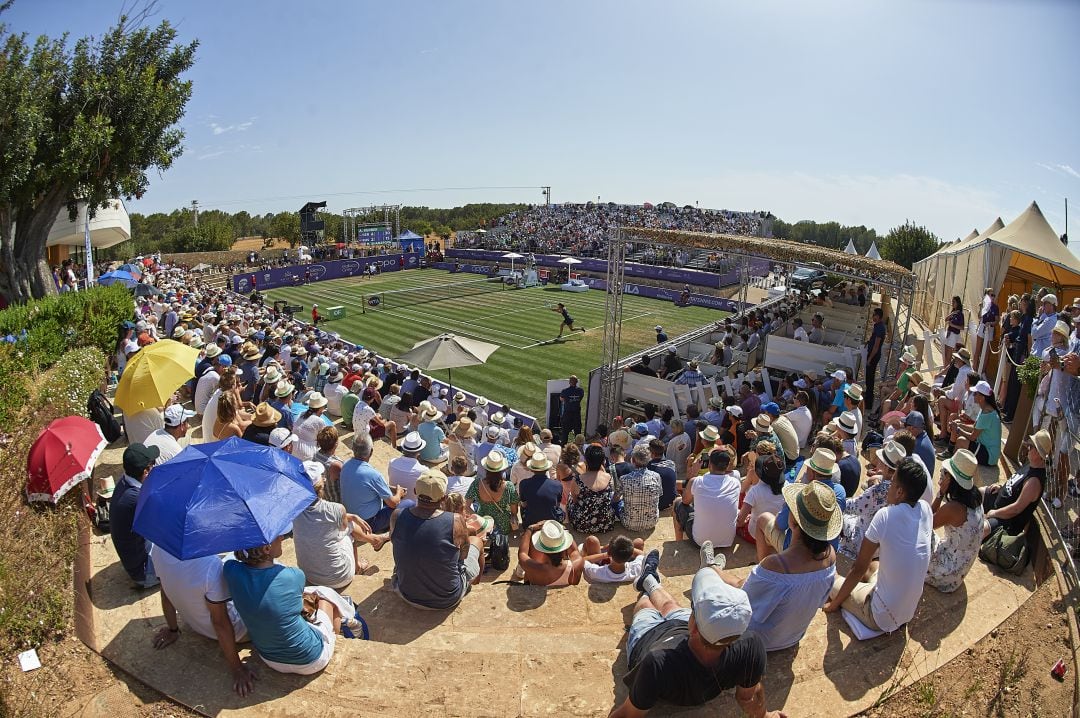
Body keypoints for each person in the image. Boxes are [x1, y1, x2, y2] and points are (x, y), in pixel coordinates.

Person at [612, 551, 776, 717]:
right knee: (670, 605)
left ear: (695, 627)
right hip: (682, 627)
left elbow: (626, 714)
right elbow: (748, 697)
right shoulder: (751, 645)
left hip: (647, 637)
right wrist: (765, 716)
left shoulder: (657, 664)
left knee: (645, 607)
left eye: (694, 608)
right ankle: (649, 580)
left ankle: (648, 584)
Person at [825, 458, 932, 633]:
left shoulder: (886, 515)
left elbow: (858, 568)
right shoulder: (926, 508)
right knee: (874, 564)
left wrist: (834, 604)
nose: (887, 484)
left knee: (833, 577)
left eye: (891, 482)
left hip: (880, 616)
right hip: (907, 613)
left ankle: (851, 598)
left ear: (899, 491)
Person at [222, 536, 350, 675]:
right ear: (266, 548)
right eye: (278, 536)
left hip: (269, 659)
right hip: (311, 658)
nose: (282, 537)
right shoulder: (294, 575)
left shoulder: (231, 570)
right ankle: (334, 638)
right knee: (327, 598)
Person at [738, 479, 840, 651]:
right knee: (734, 580)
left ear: (792, 522)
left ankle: (711, 567)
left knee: (709, 577)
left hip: (758, 642)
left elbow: (741, 609)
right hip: (792, 637)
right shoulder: (830, 557)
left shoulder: (775, 565)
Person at [147, 545, 253, 695]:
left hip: (195, 625)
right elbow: (220, 623)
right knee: (256, 560)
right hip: (239, 631)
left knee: (232, 559)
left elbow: (166, 592)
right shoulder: (210, 564)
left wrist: (173, 630)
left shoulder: (158, 549)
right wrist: (237, 668)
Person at [389, 470, 486, 609]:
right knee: (476, 541)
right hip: (447, 598)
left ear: (415, 491)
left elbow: (396, 543)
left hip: (407, 593)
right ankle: (473, 584)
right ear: (443, 498)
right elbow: (463, 556)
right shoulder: (455, 520)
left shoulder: (396, 515)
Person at [292, 462, 386, 590]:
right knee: (349, 528)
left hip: (309, 576)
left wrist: (352, 516)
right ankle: (359, 564)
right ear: (321, 484)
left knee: (346, 525)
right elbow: (343, 524)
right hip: (339, 577)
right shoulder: (335, 509)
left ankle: (374, 540)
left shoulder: (293, 507)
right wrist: (352, 518)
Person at [926, 449, 984, 593]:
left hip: (947, 572)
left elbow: (926, 525)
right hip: (960, 568)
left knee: (912, 533)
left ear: (950, 479)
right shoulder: (975, 497)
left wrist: (940, 494)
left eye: (945, 472)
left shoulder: (953, 508)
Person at [111, 444, 161, 588]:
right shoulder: (136, 499)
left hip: (133, 559)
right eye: (153, 465)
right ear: (145, 471)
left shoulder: (124, 481)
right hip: (144, 573)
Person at [982, 429, 1049, 537]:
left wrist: (994, 513)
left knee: (981, 530)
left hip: (1006, 520)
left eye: (1031, 446)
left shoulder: (1034, 482)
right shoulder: (1032, 464)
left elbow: (1016, 509)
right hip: (999, 504)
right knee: (979, 493)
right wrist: (1001, 487)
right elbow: (1015, 483)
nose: (1028, 448)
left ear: (1038, 452)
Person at [674, 448, 741, 548]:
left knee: (677, 502)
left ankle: (678, 543)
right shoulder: (735, 483)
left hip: (701, 542)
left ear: (709, 464)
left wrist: (693, 473)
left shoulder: (697, 481)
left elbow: (685, 501)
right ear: (727, 466)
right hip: (727, 540)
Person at [340, 438, 406, 533]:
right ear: (371, 451)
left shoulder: (345, 464)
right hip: (368, 522)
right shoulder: (373, 474)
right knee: (406, 504)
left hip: (350, 517)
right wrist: (399, 492)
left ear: (353, 449)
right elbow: (393, 503)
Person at [466, 451, 520, 534]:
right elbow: (514, 511)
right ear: (502, 469)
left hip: (484, 524)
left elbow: (466, 506)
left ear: (486, 468)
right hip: (503, 526)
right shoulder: (508, 486)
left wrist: (479, 519)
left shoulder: (476, 483)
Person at [517, 520, 585, 586]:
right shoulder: (577, 563)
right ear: (565, 544)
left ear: (541, 549)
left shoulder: (534, 568)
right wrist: (561, 529)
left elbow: (522, 553)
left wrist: (530, 528)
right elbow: (574, 551)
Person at [567, 444, 616, 533]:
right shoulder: (609, 477)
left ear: (586, 460)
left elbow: (574, 500)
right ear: (603, 461)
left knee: (570, 496)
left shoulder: (578, 479)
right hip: (606, 523)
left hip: (582, 524)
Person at [616, 444, 663, 532]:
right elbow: (659, 494)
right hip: (652, 522)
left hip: (629, 523)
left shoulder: (624, 479)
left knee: (617, 503)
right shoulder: (656, 476)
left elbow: (616, 498)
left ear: (633, 460)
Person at [518, 450, 564, 526]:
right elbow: (557, 504)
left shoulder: (524, 484)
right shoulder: (557, 485)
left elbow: (523, 504)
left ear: (532, 469)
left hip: (530, 522)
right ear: (547, 468)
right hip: (552, 522)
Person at [581, 535, 646, 584]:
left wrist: (606, 553)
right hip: (623, 561)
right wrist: (626, 548)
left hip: (602, 566)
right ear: (631, 555)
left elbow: (583, 560)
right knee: (639, 542)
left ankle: (583, 551)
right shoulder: (636, 568)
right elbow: (642, 553)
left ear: (609, 552)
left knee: (591, 540)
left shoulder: (595, 571)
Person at [389, 431, 429, 497]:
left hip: (394, 502)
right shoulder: (424, 471)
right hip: (412, 505)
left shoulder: (392, 462)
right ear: (419, 451)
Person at [292, 392, 328, 461]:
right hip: (308, 455)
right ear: (320, 407)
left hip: (293, 449)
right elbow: (324, 441)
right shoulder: (319, 421)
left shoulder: (301, 414)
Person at [559, 375, 585, 444]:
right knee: (577, 434)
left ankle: (563, 449)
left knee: (565, 434)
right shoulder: (581, 391)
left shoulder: (565, 391)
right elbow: (580, 398)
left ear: (569, 382)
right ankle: (579, 448)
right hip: (576, 415)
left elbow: (561, 399)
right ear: (576, 382)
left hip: (567, 415)